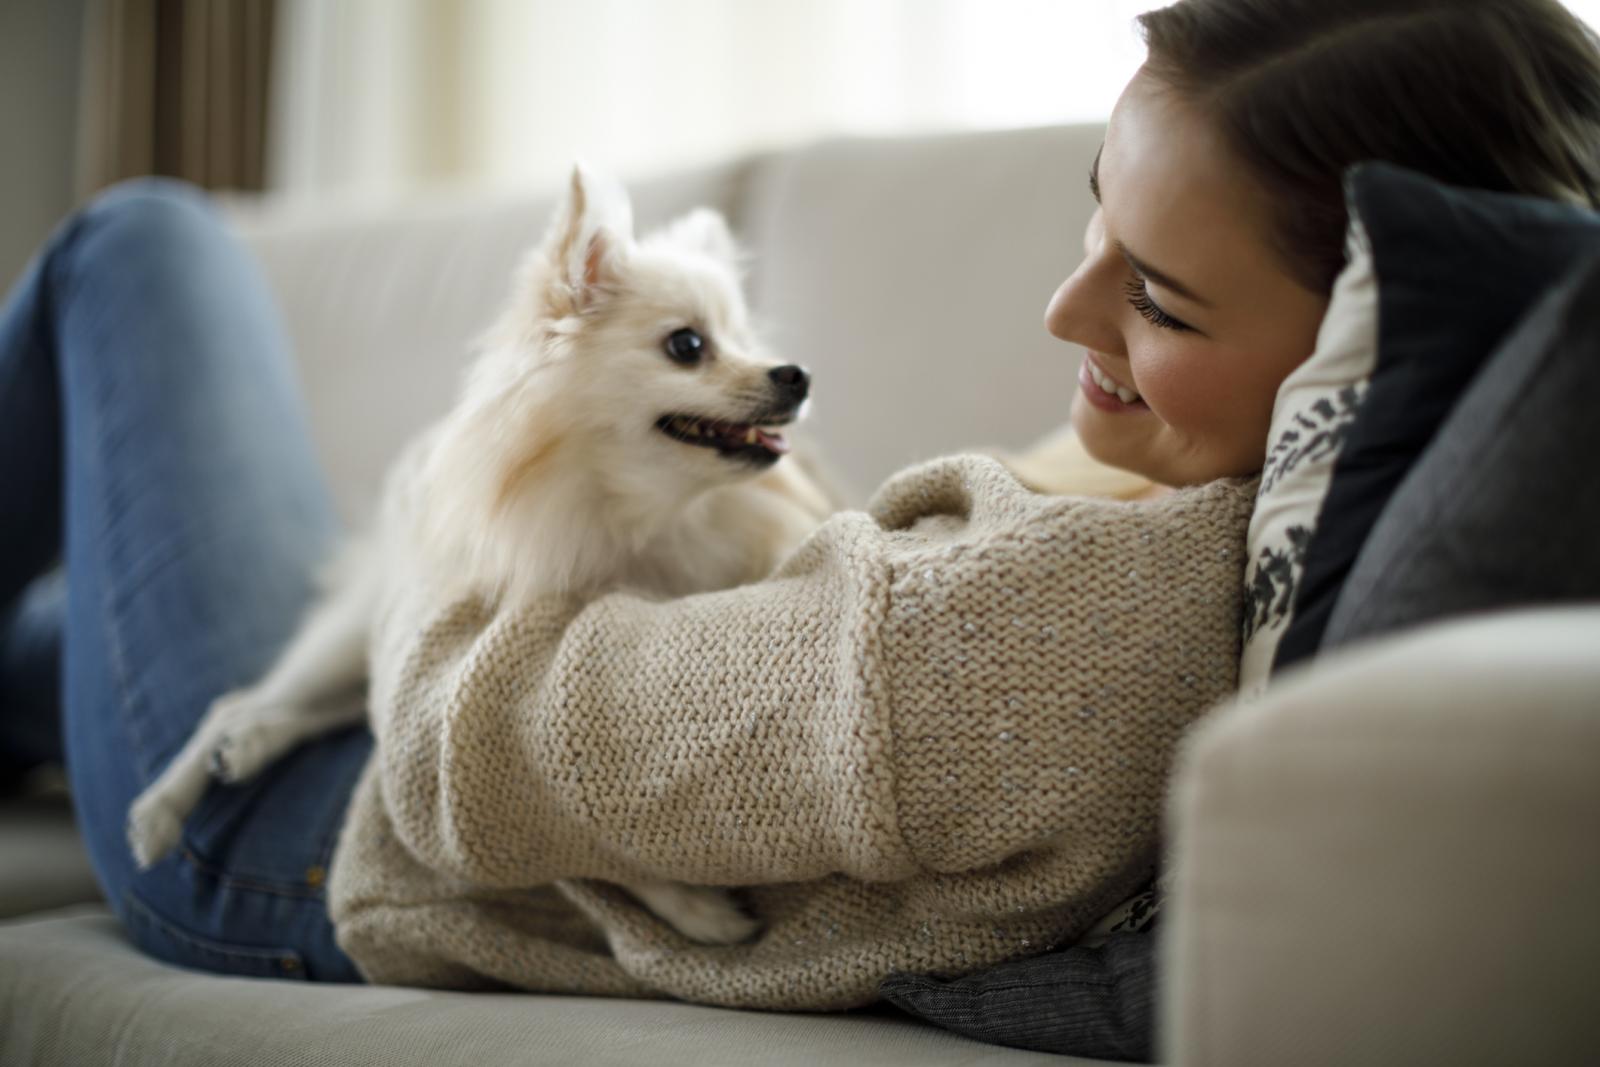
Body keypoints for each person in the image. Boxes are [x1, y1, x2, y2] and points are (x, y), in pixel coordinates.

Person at [2, 0, 1597, 1039]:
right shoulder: (1210, 514)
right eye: (1091, 216)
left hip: (296, 839)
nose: (1063, 308)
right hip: (392, 740)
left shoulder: (1032, 652)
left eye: (1158, 296)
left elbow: (446, 756)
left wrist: (458, 474)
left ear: (1350, 343)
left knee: (134, 246)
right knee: (64, 636)